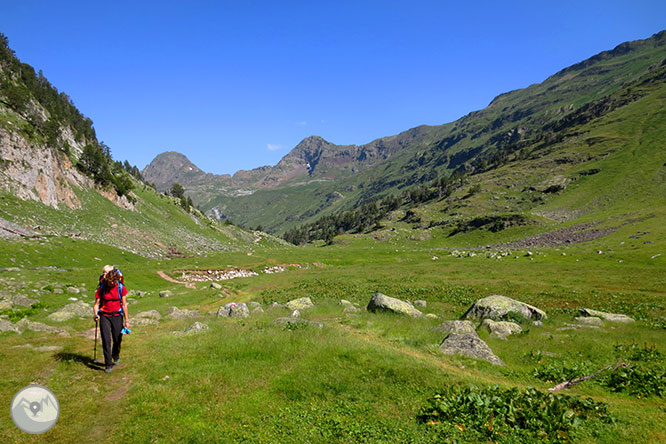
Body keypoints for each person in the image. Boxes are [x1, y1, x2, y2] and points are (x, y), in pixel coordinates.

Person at [93, 269, 130, 373]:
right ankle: (108, 364)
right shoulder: (102, 288)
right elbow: (96, 304)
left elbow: (124, 304)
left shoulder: (120, 288)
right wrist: (95, 314)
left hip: (117, 315)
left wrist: (127, 320)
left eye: (113, 282)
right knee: (106, 340)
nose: (111, 283)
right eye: (110, 281)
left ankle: (116, 355)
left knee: (117, 338)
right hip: (105, 316)